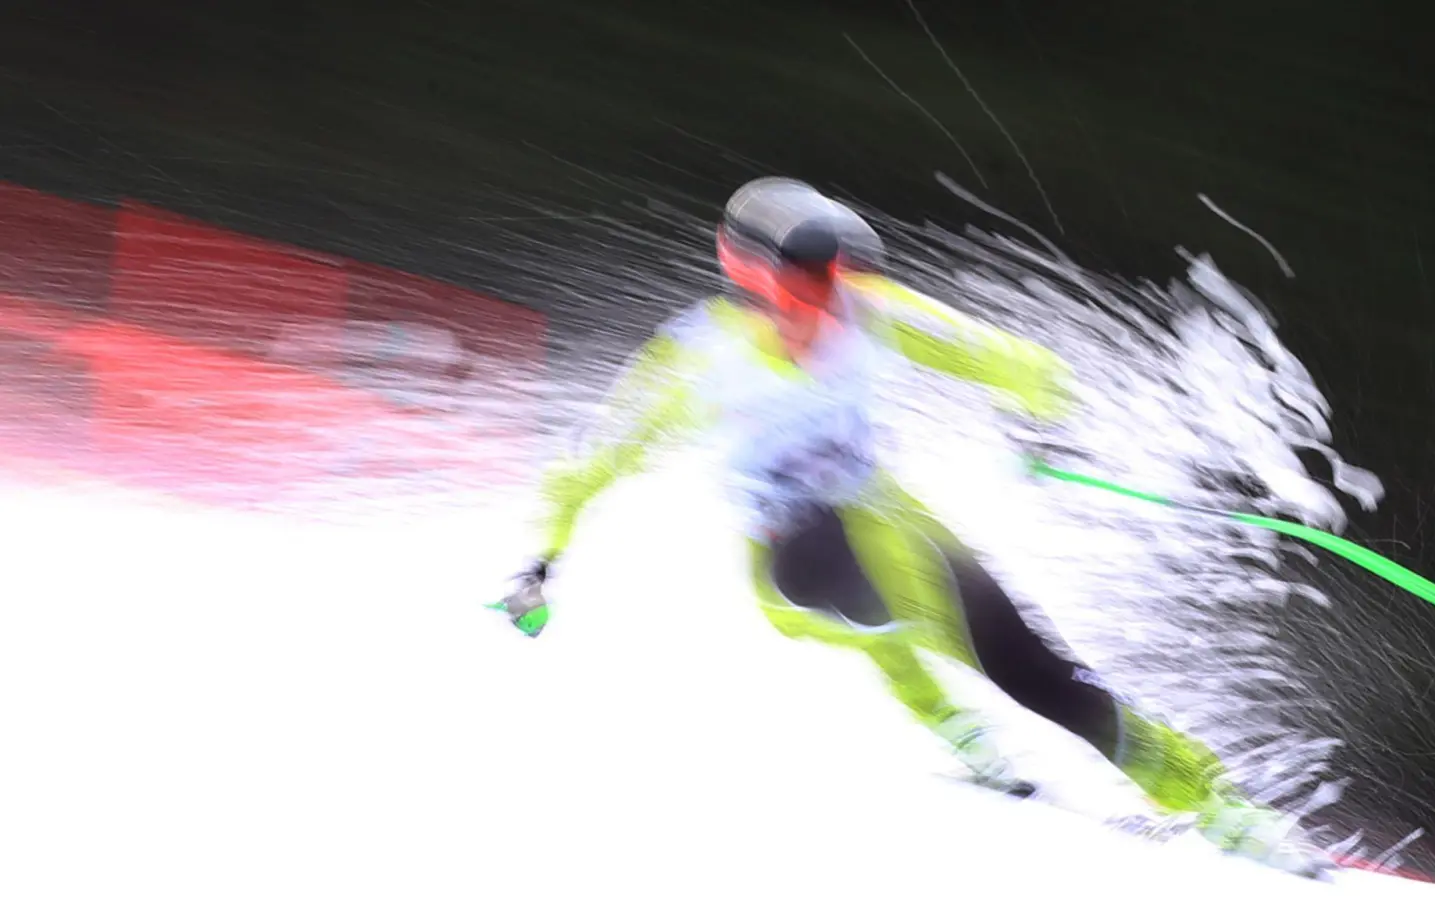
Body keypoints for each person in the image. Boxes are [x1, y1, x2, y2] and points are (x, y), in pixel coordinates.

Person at [503, 176, 1333, 878]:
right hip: (790, 558)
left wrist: (1038, 424)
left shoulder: (872, 310)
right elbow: (595, 460)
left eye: (831, 288)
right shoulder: (700, 358)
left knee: (1020, 655)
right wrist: (542, 563)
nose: (822, 313)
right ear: (752, 283)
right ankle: (956, 716)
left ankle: (1211, 802)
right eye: (800, 293)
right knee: (888, 586)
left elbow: (1016, 362)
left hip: (893, 518)